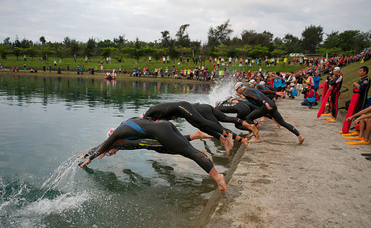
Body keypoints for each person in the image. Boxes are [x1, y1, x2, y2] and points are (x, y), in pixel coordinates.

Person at [79, 118, 228, 193]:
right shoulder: (124, 128)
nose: (115, 150)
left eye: (114, 147)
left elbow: (104, 145)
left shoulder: (119, 136)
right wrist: (87, 152)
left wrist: (89, 158)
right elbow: (104, 146)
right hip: (165, 126)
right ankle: (199, 151)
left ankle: (217, 177)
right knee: (185, 150)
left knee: (187, 152)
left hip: (159, 136)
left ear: (114, 140)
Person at [143, 101, 234, 153]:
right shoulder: (156, 118)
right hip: (181, 111)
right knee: (201, 126)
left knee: (203, 122)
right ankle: (222, 139)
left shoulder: (150, 113)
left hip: (182, 106)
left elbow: (168, 108)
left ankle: (226, 134)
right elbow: (170, 115)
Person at [234, 82, 305, 144]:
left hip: (265, 105)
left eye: (236, 90)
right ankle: (299, 136)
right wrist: (275, 93)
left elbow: (256, 97)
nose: (237, 92)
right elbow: (262, 92)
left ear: (239, 88)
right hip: (271, 104)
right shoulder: (250, 90)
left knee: (249, 118)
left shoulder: (246, 91)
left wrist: (264, 102)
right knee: (282, 122)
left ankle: (256, 137)